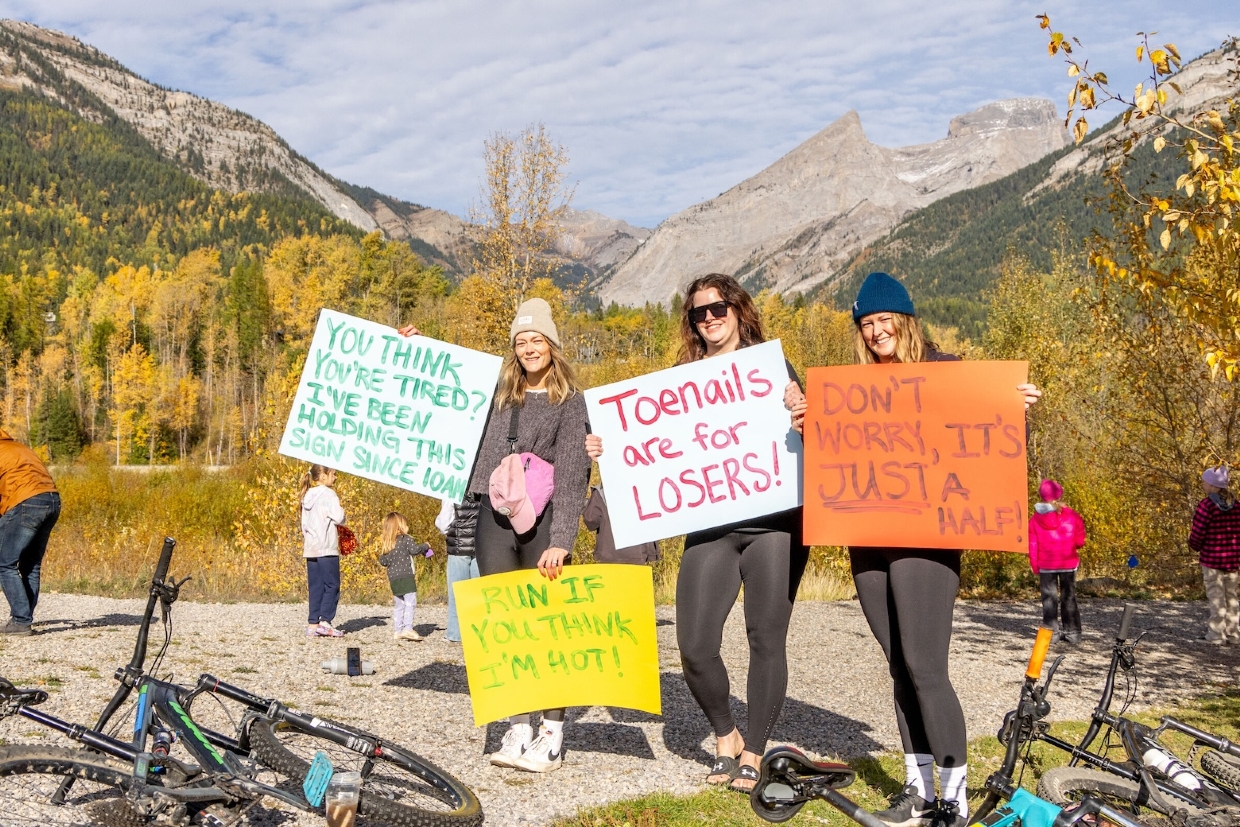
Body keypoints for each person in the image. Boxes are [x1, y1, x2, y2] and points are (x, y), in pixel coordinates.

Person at [789, 271, 1041, 827]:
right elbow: (834, 458)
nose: (877, 331)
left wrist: (1014, 404)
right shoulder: (853, 389)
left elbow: (988, 422)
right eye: (867, 323)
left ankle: (954, 797)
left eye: (885, 320)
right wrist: (808, 424)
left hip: (927, 541)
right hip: (868, 540)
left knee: (926, 666)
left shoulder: (946, 371)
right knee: (899, 666)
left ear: (905, 321)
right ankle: (919, 792)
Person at [585, 273, 807, 793]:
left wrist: (803, 413)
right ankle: (725, 734)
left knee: (765, 639)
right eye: (697, 313)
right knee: (694, 645)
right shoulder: (680, 380)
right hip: (710, 528)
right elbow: (647, 448)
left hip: (773, 527)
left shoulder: (771, 369)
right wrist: (605, 449)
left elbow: (811, 432)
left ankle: (754, 750)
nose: (709, 318)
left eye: (718, 308)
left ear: (739, 310)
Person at [400, 298, 590, 773]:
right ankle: (517, 725)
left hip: (544, 522)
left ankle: (551, 731)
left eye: (536, 339)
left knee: (546, 627)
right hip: (492, 517)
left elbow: (572, 473)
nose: (528, 348)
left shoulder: (571, 402)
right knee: (503, 629)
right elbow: (447, 388)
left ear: (552, 344)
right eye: (520, 341)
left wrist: (562, 540)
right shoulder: (498, 394)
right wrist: (415, 352)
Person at [0, 429, 61, 636]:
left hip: (26, 502)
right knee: (31, 565)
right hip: (52, 500)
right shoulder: (19, 447)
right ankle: (23, 617)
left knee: (4, 562)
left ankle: (21, 621)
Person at [1028, 479, 1087, 644]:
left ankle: (1051, 634)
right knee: (1068, 597)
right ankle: (1073, 632)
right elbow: (1080, 540)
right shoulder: (1072, 515)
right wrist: (1075, 544)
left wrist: (1035, 565)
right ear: (1059, 494)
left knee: (1049, 599)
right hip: (1068, 563)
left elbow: (1032, 544)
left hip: (1046, 565)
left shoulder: (1034, 520)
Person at [1189, 466, 1240, 645]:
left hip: (1212, 559)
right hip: (1232, 559)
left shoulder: (1207, 505)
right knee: (1231, 596)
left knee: (1216, 596)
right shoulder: (1236, 505)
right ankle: (1234, 634)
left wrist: (1194, 545)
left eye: (1205, 481)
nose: (1203, 484)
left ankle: (1216, 635)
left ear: (1211, 484)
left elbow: (1198, 531)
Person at [300, 464, 346, 638]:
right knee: (332, 585)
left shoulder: (307, 495)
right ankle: (325, 621)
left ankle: (312, 623)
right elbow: (339, 517)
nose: (335, 478)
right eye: (333, 474)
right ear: (324, 476)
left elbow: (304, 524)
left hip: (311, 547)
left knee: (316, 586)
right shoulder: (329, 494)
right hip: (326, 547)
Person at [378, 511, 433, 642]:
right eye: (406, 524)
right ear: (400, 527)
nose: (408, 527)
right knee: (410, 602)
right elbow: (414, 550)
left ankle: (398, 630)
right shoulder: (406, 539)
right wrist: (426, 546)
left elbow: (383, 561)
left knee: (399, 604)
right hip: (406, 576)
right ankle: (408, 628)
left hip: (394, 579)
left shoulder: (388, 544)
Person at [439, 498, 480, 644]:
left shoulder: (453, 490)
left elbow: (443, 524)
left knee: (456, 594)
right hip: (481, 547)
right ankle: (478, 634)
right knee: (478, 595)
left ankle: (455, 634)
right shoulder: (486, 487)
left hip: (458, 548)